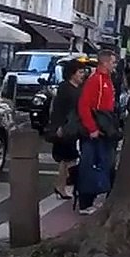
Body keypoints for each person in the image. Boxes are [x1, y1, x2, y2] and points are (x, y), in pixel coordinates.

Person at [75, 49, 119, 214]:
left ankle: (97, 196)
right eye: (112, 62)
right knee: (90, 164)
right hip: (96, 129)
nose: (114, 65)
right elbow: (84, 105)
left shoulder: (107, 80)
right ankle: (85, 202)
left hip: (104, 127)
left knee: (104, 163)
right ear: (105, 63)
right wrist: (92, 128)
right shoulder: (96, 81)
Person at [47, 59, 88, 200]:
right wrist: (58, 126)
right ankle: (64, 186)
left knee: (68, 159)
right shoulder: (65, 89)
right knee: (67, 158)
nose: (82, 75)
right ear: (72, 73)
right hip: (65, 127)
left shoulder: (78, 88)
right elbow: (58, 110)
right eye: (80, 72)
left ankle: (62, 185)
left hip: (74, 127)